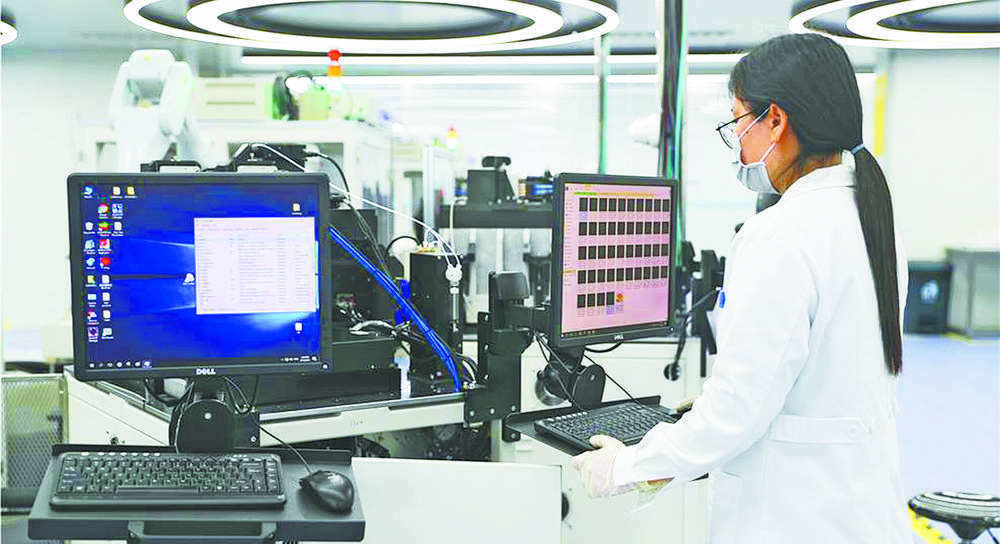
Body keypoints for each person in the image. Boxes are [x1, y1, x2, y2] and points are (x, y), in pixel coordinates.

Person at [571, 33, 910, 543]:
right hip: (861, 513)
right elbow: (825, 376)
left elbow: (737, 413)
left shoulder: (779, 234)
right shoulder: (873, 221)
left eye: (738, 122)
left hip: (792, 521)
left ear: (776, 121)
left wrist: (624, 467)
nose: (738, 143)